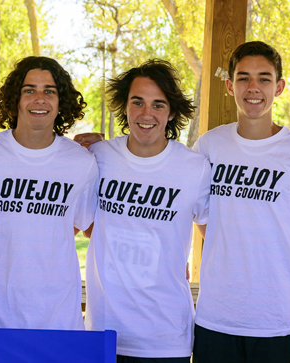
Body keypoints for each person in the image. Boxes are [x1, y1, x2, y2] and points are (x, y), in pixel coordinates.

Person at [191, 41, 290, 363]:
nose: (253, 88)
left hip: (279, 320)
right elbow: (200, 217)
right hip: (216, 317)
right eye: (243, 78)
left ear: (279, 87)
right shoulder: (209, 146)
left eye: (264, 78)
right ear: (230, 86)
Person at [81, 59, 211, 362]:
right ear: (124, 107)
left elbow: (216, 235)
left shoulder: (194, 168)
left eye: (158, 105)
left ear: (172, 112)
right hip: (103, 332)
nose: (146, 114)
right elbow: (84, 224)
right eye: (137, 102)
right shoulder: (98, 157)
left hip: (165, 337)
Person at [0, 56, 97, 330]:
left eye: (49, 91)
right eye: (29, 90)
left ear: (61, 101)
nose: (39, 99)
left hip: (57, 316)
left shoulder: (81, 162)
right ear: (15, 99)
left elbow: (81, 226)